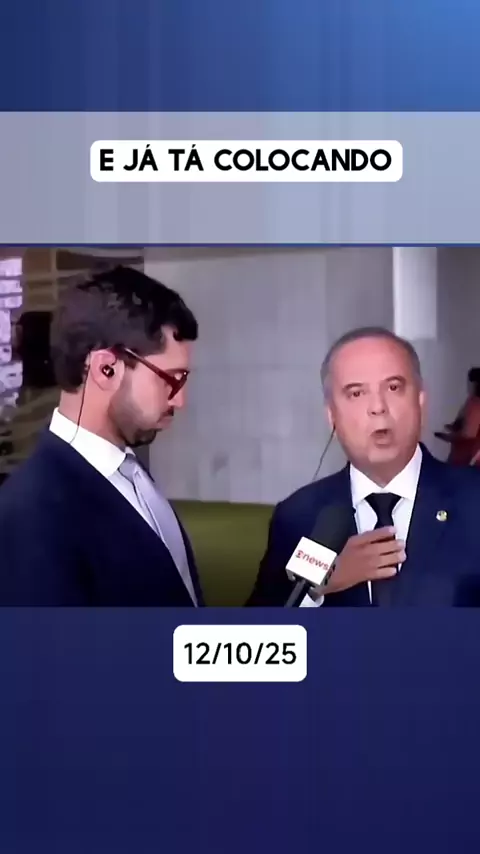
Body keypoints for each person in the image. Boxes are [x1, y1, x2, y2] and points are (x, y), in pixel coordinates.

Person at [0, 265, 204, 606]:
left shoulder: (127, 470)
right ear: (105, 369)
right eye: (170, 379)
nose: (180, 400)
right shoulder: (31, 514)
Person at [247, 327, 480, 607]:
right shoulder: (299, 516)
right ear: (332, 416)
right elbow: (260, 628)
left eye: (393, 388)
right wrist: (319, 588)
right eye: (356, 393)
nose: (378, 407)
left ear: (420, 401)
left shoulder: (473, 499)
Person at [435, 368, 480, 466]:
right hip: (460, 453)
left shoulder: (476, 404)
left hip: (467, 458)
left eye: (470, 382)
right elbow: (460, 424)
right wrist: (452, 428)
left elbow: (469, 436)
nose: (468, 385)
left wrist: (449, 437)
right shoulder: (470, 401)